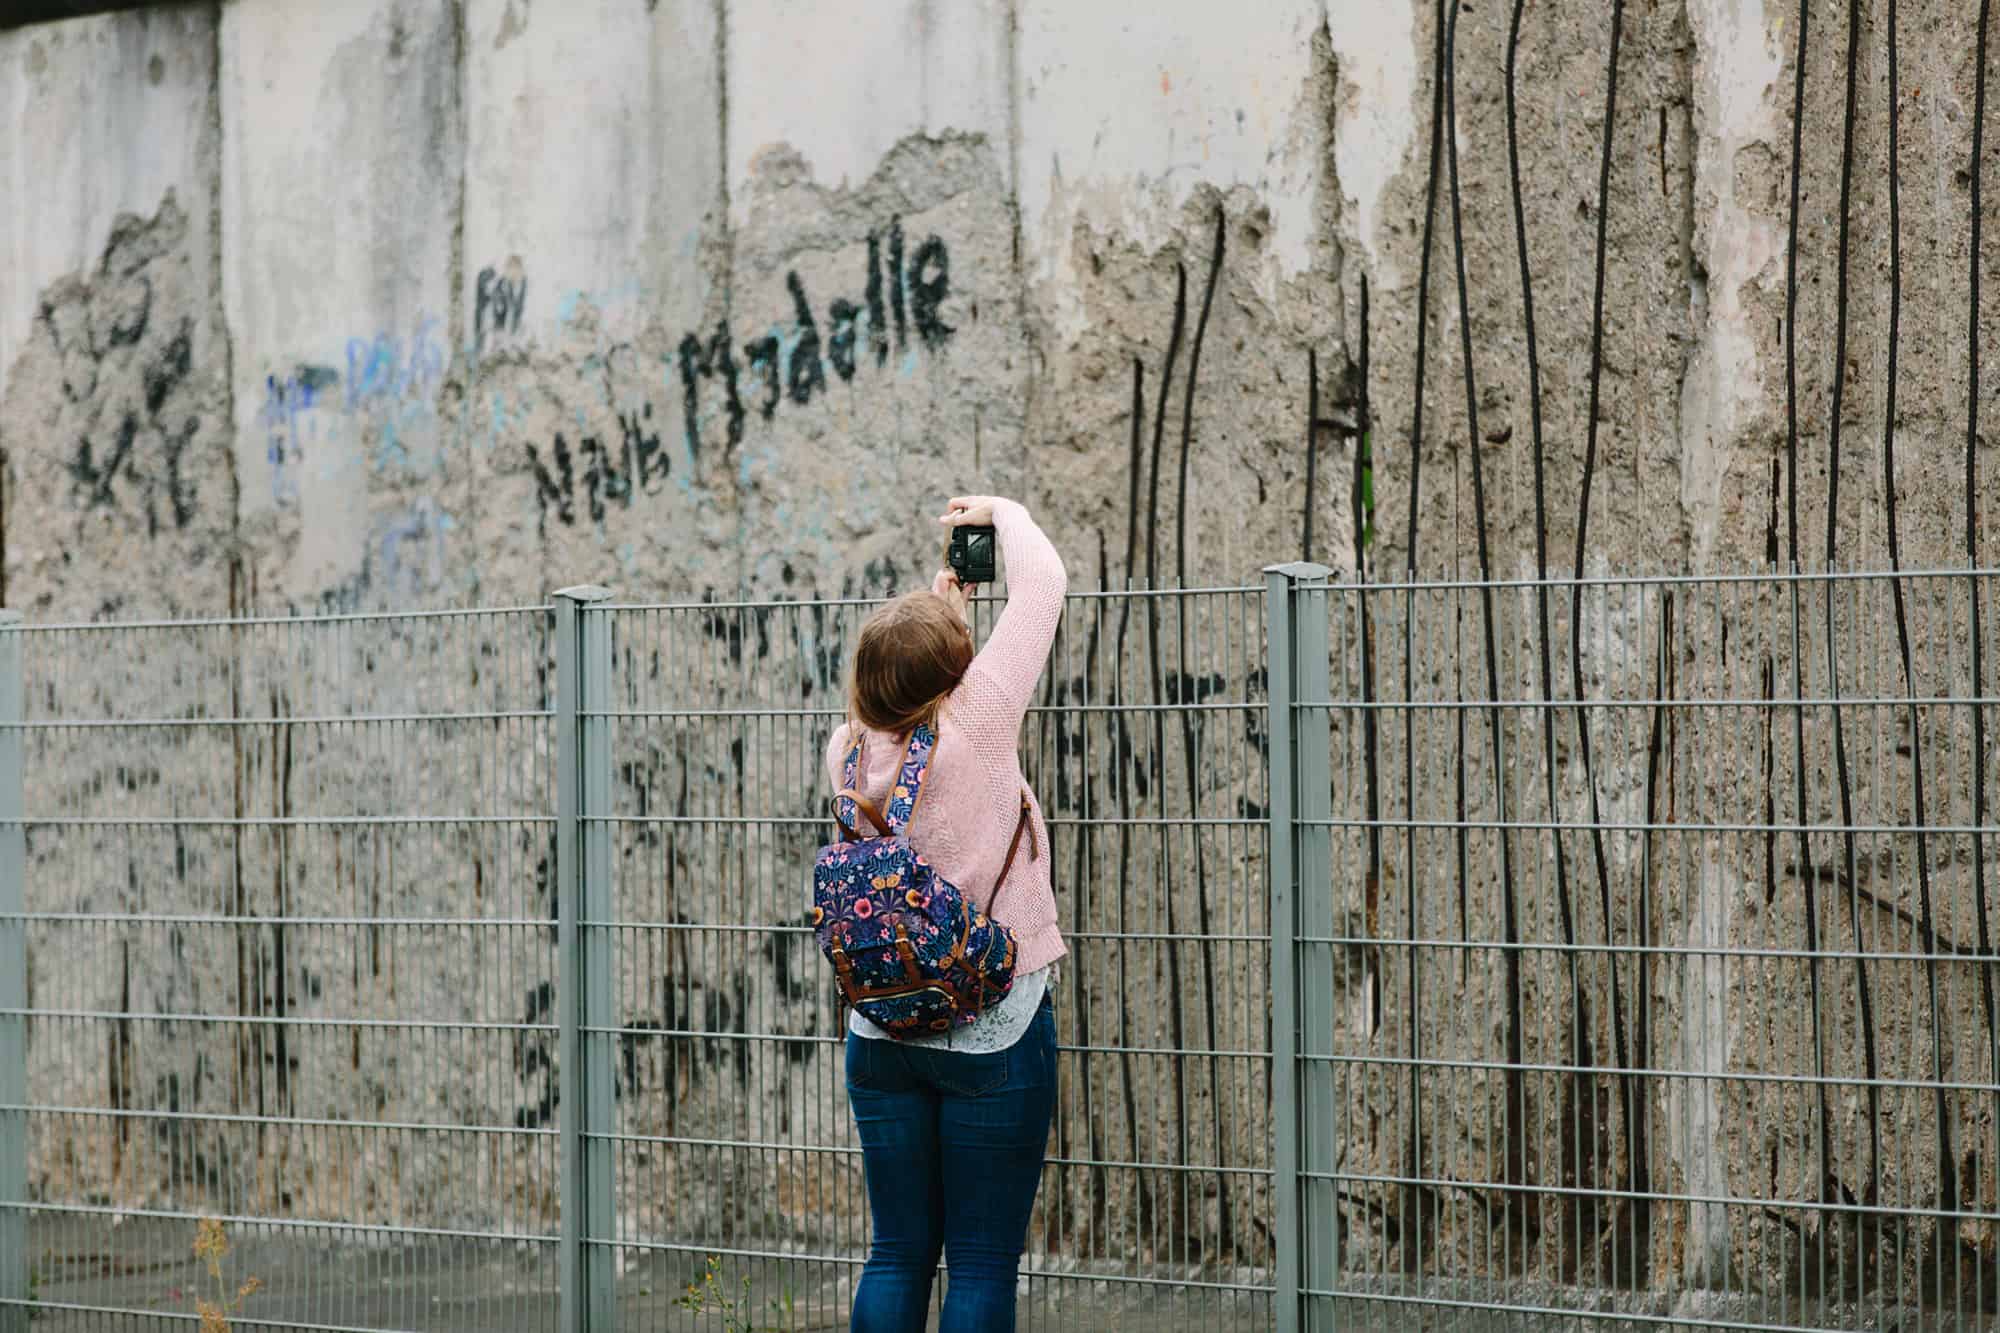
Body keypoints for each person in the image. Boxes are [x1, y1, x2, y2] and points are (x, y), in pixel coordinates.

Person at [824, 494, 1068, 1333]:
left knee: (896, 1252)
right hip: (992, 1026)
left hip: (882, 1032)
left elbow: (903, 702)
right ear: (955, 673)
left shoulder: (848, 747)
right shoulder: (984, 717)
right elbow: (1044, 586)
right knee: (980, 1264)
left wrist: (938, 622)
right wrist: (1005, 511)